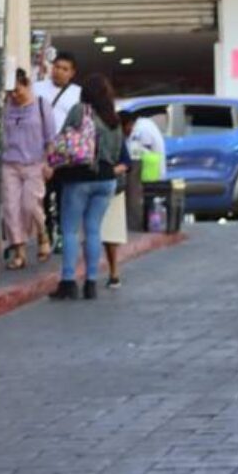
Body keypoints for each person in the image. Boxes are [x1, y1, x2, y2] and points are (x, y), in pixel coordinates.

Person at [50, 74, 123, 301]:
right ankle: (91, 283)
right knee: (93, 230)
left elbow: (63, 140)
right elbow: (118, 151)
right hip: (107, 179)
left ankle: (69, 281)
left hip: (80, 176)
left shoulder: (79, 110)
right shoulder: (113, 118)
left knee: (70, 230)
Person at [1, 68, 54, 269]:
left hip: (35, 163)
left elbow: (50, 139)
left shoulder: (41, 105)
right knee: (11, 208)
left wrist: (49, 163)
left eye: (17, 90)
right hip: (9, 163)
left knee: (29, 205)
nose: (14, 95)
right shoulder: (6, 107)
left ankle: (42, 231)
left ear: (27, 84)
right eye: (10, 92)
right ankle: (19, 252)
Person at [33, 53, 82, 251]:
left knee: (64, 194)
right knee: (41, 194)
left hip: (65, 152)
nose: (59, 71)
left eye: (64, 69)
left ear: (72, 73)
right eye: (56, 67)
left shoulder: (78, 93)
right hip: (39, 150)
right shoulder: (38, 88)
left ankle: (62, 233)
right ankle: (45, 232)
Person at [103, 112, 140, 288]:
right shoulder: (114, 132)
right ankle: (113, 272)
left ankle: (111, 273)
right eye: (130, 124)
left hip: (108, 185)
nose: (132, 129)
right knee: (108, 234)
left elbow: (126, 162)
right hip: (111, 186)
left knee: (105, 234)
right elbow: (127, 163)